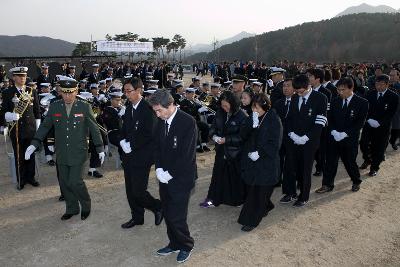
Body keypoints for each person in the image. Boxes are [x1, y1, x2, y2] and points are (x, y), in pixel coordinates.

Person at [25, 77, 105, 220]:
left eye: (71, 93)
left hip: (78, 151)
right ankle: (72, 208)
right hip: (62, 151)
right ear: (60, 92)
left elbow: (94, 129)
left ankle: (86, 205)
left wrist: (100, 148)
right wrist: (34, 143)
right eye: (64, 93)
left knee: (75, 181)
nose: (67, 96)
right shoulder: (55, 106)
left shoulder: (84, 106)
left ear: (76, 91)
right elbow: (45, 127)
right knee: (64, 182)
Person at [148, 89, 196, 264]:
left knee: (177, 215)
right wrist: (159, 168)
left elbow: (186, 155)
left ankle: (186, 245)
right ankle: (174, 243)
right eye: (155, 111)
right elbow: (157, 147)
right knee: (168, 212)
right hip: (164, 176)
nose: (157, 114)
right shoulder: (161, 120)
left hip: (182, 178)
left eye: (159, 110)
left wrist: (170, 173)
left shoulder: (187, 122)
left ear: (170, 105)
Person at [119, 77, 163, 229]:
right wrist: (122, 141)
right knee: (130, 190)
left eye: (129, 91)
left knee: (138, 191)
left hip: (143, 155)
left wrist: (132, 144)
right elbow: (125, 129)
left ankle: (157, 206)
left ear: (139, 91)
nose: (126, 94)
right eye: (124, 91)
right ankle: (137, 217)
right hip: (129, 154)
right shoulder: (130, 106)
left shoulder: (148, 108)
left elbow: (150, 133)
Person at [281, 74, 328, 207]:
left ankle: (303, 196)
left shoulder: (320, 98)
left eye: (302, 91)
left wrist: (306, 138)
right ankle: (290, 193)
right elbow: (289, 118)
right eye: (297, 91)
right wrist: (291, 134)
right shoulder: (295, 97)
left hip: (309, 141)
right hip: (293, 139)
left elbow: (320, 122)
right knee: (290, 166)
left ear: (308, 86)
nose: (299, 94)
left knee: (305, 169)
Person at [315, 77, 368, 193]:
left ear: (351, 88)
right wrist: (333, 131)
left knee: (349, 162)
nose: (340, 92)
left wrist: (345, 133)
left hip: (349, 138)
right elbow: (330, 118)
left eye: (343, 90)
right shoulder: (334, 101)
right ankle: (327, 184)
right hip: (333, 137)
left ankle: (356, 181)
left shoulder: (362, 103)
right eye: (338, 90)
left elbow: (360, 123)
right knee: (330, 162)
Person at [238, 94, 282, 231]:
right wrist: (251, 124)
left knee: (258, 192)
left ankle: (251, 220)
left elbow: (275, 142)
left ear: (265, 106)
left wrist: (260, 153)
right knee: (254, 187)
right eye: (252, 107)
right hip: (252, 160)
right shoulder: (252, 117)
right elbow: (243, 135)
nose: (254, 110)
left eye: (256, 107)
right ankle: (267, 205)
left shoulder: (274, 119)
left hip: (266, 161)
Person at [199, 90, 247, 208]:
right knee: (217, 176)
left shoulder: (242, 116)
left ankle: (239, 200)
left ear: (233, 103)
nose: (224, 107)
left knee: (234, 178)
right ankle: (212, 199)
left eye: (226, 105)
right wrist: (214, 136)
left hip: (235, 152)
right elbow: (213, 128)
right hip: (221, 150)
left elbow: (243, 136)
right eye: (222, 105)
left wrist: (227, 139)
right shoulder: (220, 113)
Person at [1, 66, 41, 190]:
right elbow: (3, 112)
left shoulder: (31, 90)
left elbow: (37, 111)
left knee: (31, 153)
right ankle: (21, 179)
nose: (23, 78)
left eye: (24, 76)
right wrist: (10, 115)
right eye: (20, 76)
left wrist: (38, 127)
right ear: (14, 78)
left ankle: (31, 177)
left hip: (30, 129)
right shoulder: (7, 92)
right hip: (16, 129)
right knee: (19, 155)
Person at [359, 74, 399, 176]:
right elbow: (364, 109)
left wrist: (380, 122)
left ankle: (374, 168)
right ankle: (368, 159)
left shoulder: (393, 97)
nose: (379, 87)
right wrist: (368, 119)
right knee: (363, 143)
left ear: (387, 85)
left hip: (383, 127)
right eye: (377, 84)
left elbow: (391, 113)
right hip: (369, 124)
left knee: (379, 148)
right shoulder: (370, 93)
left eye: (381, 84)